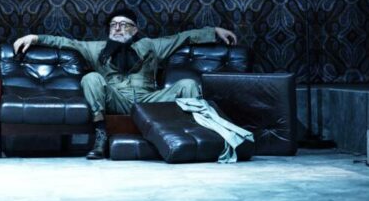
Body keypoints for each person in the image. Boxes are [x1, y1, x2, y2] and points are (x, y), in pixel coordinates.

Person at [13, 9, 237, 159]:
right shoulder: (97, 48)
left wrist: (214, 32)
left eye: (123, 24)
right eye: (113, 25)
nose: (117, 28)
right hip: (116, 99)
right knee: (91, 78)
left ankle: (199, 136)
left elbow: (182, 37)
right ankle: (101, 135)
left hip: (150, 101)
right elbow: (66, 42)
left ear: (135, 29)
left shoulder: (150, 46)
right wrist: (35, 38)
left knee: (187, 84)